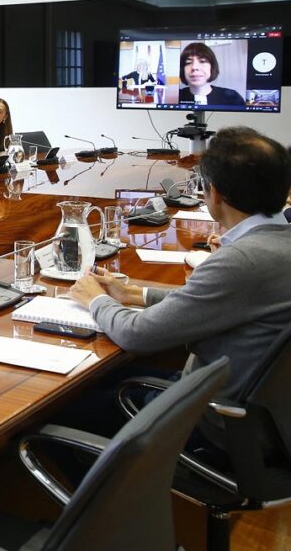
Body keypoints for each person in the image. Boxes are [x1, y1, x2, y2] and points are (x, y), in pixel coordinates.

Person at [68, 126, 291, 450]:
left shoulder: (242, 260)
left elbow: (137, 335)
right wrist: (134, 294)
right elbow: (224, 300)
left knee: (61, 411)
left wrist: (96, 299)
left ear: (214, 193)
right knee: (99, 381)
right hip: (258, 411)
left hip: (212, 421)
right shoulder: (276, 243)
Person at [177, 42, 245, 106]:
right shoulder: (175, 96)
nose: (194, 67)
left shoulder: (233, 98)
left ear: (212, 66)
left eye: (202, 61)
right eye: (188, 63)